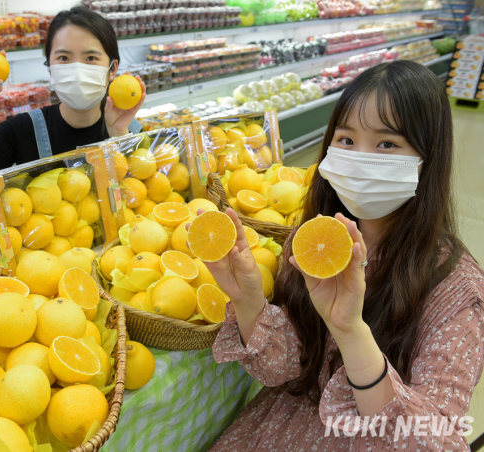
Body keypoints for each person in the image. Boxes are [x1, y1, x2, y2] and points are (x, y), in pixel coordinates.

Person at [201, 60, 484, 450]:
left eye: (387, 144)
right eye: (346, 140)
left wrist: (352, 333)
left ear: (428, 157)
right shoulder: (316, 241)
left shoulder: (456, 291)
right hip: (278, 429)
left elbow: (435, 442)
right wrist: (249, 302)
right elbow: (284, 371)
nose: (359, 159)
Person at [0, 6, 146, 183]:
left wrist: (119, 137)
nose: (77, 69)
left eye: (91, 58)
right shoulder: (21, 130)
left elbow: (143, 193)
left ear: (112, 69)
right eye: (64, 58)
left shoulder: (129, 130)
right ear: (50, 67)